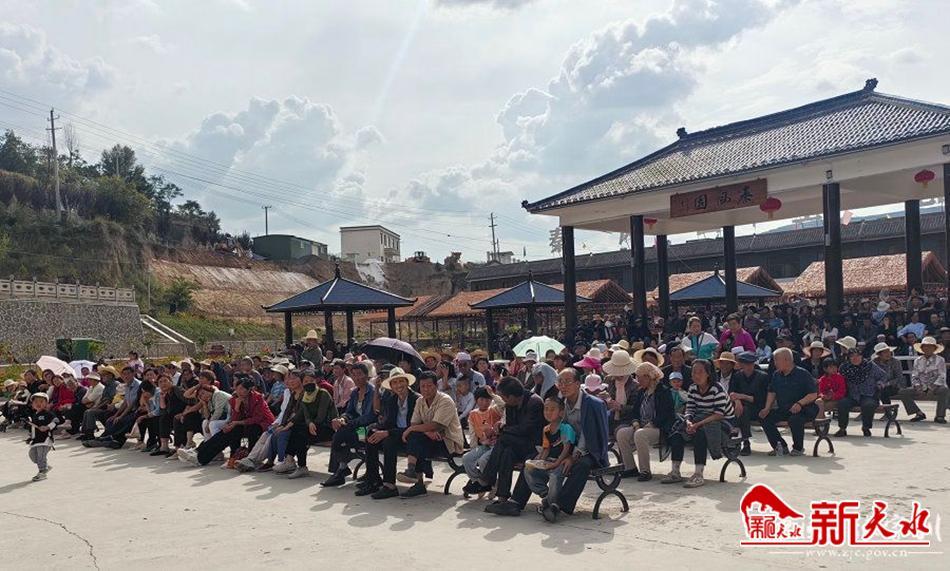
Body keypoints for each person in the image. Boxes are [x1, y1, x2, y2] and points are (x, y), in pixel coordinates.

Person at [504, 368, 610, 518]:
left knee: (582, 465)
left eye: (567, 382)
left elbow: (590, 435)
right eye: (560, 382)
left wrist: (573, 456)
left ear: (578, 384)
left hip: (590, 450)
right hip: (565, 445)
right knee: (533, 459)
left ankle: (559, 505)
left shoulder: (593, 404)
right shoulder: (560, 402)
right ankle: (517, 501)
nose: (563, 386)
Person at [474, 377, 544, 510]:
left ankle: (486, 479)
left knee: (504, 439)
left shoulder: (534, 402)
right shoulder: (511, 404)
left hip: (534, 446)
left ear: (511, 396)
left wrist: (503, 428)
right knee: (507, 453)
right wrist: (503, 427)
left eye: (503, 397)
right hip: (518, 443)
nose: (503, 400)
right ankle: (503, 498)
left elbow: (526, 429)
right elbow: (512, 428)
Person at [664, 359, 735, 488]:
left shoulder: (717, 388)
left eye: (700, 372)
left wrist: (696, 425)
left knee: (700, 435)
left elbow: (719, 415)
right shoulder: (692, 388)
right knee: (677, 434)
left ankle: (698, 474)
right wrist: (688, 422)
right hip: (699, 420)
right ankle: (675, 471)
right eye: (694, 372)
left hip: (722, 423)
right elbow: (690, 409)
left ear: (708, 373)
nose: (696, 375)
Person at [397, 372, 465, 498]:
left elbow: (436, 425)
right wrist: (426, 432)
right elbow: (415, 422)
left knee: (415, 437)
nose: (426, 389)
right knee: (416, 437)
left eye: (429, 386)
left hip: (448, 443)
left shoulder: (445, 400)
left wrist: (414, 429)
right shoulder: (420, 401)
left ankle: (414, 476)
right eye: (423, 386)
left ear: (436, 386)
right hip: (429, 439)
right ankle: (413, 475)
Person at [180, 379, 275, 466]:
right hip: (244, 424)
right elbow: (235, 418)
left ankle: (250, 459)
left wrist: (237, 422)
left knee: (251, 428)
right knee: (226, 432)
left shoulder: (258, 398)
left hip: (263, 425)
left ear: (249, 389)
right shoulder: (235, 399)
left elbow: (257, 418)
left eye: (241, 389)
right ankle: (200, 457)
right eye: (237, 389)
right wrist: (237, 408)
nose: (238, 391)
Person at [357, 368, 419, 498]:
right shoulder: (392, 400)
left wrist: (387, 432)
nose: (398, 385)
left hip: (412, 436)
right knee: (371, 435)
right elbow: (388, 422)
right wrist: (377, 429)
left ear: (407, 382)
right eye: (394, 383)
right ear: (391, 386)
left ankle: (389, 485)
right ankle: (372, 479)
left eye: (401, 381)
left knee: (388, 441)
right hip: (396, 434)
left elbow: (414, 427)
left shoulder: (416, 399)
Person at [614, 362, 674, 481]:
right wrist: (635, 422)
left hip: (658, 428)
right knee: (622, 433)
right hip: (641, 426)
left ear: (648, 377)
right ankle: (630, 468)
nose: (638, 380)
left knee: (640, 434)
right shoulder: (642, 392)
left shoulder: (663, 391)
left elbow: (666, 414)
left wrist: (652, 424)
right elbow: (635, 411)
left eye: (640, 377)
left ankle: (645, 471)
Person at [523, 396, 577, 522]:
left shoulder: (566, 428)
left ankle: (551, 505)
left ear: (561, 412)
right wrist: (539, 462)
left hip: (563, 461)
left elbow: (566, 449)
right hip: (550, 460)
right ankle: (545, 495)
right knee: (528, 470)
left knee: (555, 477)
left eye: (552, 409)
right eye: (546, 409)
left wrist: (555, 464)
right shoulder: (546, 429)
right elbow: (546, 449)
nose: (548, 412)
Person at [322, 362, 376, 486]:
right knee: (339, 433)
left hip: (367, 429)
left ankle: (341, 470)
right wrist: (342, 418)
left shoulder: (372, 392)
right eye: (354, 375)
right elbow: (350, 411)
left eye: (359, 374)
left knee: (342, 435)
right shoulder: (355, 392)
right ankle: (341, 469)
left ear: (366, 375)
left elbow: (369, 417)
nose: (357, 378)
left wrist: (349, 423)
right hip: (356, 427)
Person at [759, 348, 820, 456]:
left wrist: (800, 403)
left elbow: (813, 394)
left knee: (795, 419)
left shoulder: (803, 374)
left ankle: (798, 448)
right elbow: (772, 392)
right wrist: (767, 408)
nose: (775, 363)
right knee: (765, 418)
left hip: (805, 409)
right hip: (785, 408)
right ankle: (780, 446)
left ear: (787, 360)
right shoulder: (776, 375)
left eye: (777, 360)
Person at [835, 337, 884, 437]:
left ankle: (866, 427)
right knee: (842, 403)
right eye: (852, 356)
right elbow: (838, 380)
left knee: (868, 404)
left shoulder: (870, 365)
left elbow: (883, 376)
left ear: (861, 356)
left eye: (858, 356)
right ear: (848, 357)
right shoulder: (844, 367)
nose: (855, 358)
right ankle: (842, 428)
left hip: (869, 394)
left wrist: (879, 383)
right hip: (851, 395)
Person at [82, 366, 141, 449]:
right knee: (111, 419)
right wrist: (116, 415)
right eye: (124, 374)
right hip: (124, 409)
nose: (126, 376)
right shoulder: (127, 385)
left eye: (128, 374)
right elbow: (125, 402)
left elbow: (131, 404)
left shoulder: (137, 385)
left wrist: (120, 416)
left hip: (137, 410)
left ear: (133, 374)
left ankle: (111, 439)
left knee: (123, 420)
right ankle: (107, 438)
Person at [461, 387, 502, 494]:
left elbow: (503, 405)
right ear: (476, 400)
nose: (484, 403)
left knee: (483, 460)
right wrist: (475, 447)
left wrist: (493, 395)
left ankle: (491, 484)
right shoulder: (473, 414)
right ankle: (480, 482)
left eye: (487, 400)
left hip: (496, 445)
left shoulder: (494, 410)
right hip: (484, 445)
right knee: (467, 459)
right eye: (481, 399)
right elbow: (472, 434)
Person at [898, 336, 948, 423]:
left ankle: (940, 416)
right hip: (921, 386)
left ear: (934, 348)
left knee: (944, 390)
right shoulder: (918, 360)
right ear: (922, 348)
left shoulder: (940, 360)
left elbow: (942, 376)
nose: (927, 348)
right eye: (925, 346)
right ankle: (918, 413)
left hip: (936, 386)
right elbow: (914, 375)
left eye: (930, 346)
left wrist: (932, 388)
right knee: (903, 392)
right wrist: (918, 387)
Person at [730, 352, 769, 455]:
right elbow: (732, 393)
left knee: (744, 410)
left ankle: (742, 440)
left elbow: (761, 399)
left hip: (757, 409)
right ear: (741, 364)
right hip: (740, 407)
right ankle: (741, 441)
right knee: (741, 409)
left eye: (751, 364)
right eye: (745, 364)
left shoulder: (763, 377)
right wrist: (737, 401)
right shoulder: (737, 376)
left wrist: (742, 396)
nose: (748, 366)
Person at [26, 392, 57, 481]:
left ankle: (42, 472)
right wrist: (31, 436)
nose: (38, 403)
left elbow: (56, 421)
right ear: (32, 404)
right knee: (33, 455)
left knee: (41, 456)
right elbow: (34, 427)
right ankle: (45, 466)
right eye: (35, 402)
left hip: (45, 440)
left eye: (41, 401)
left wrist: (47, 427)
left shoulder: (48, 414)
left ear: (46, 403)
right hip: (36, 440)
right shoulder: (34, 415)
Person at [872, 341, 904, 407]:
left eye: (888, 351)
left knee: (884, 391)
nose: (888, 354)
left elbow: (899, 378)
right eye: (885, 352)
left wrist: (887, 384)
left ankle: (888, 409)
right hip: (878, 385)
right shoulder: (874, 363)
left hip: (893, 386)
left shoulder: (896, 362)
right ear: (879, 354)